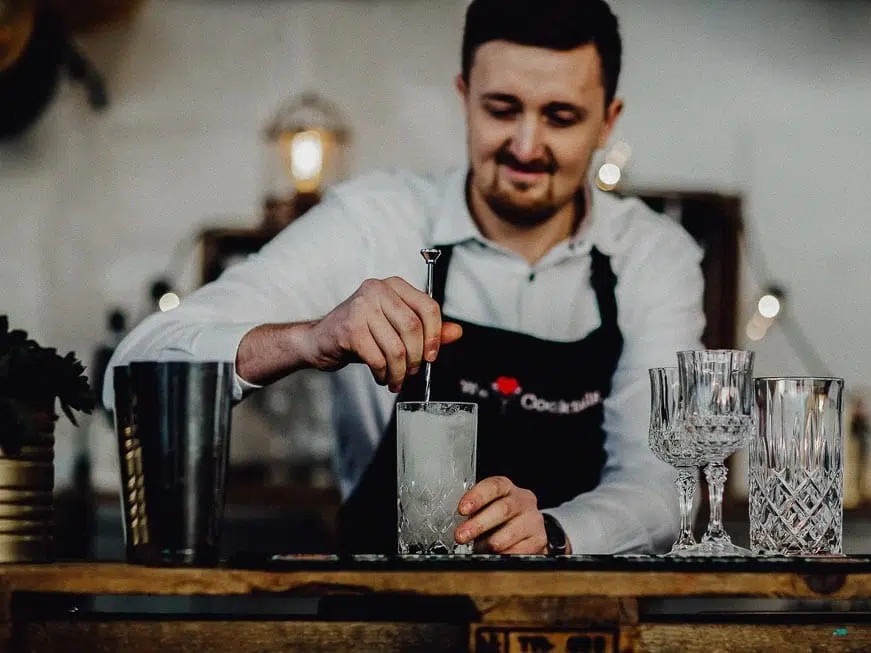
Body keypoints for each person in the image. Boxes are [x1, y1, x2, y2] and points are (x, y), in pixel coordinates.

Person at [105, 0, 705, 555]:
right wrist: (307, 338)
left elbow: (663, 482)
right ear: (464, 95)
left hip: (580, 624)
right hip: (382, 618)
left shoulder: (653, 258)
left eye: (561, 117)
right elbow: (129, 375)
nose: (526, 144)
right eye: (501, 109)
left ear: (607, 122)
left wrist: (554, 530)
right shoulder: (372, 223)